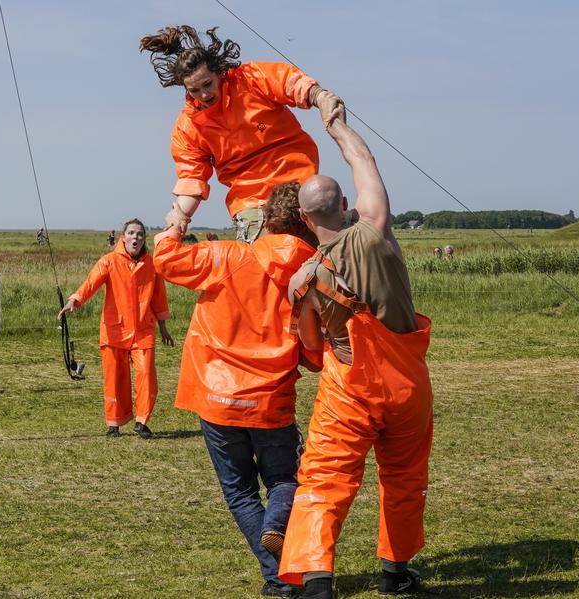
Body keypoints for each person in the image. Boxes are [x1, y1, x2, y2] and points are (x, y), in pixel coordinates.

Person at [277, 92, 433, 599]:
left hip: (347, 389)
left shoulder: (301, 280)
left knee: (323, 479)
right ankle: (395, 571)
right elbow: (365, 161)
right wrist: (335, 125)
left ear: (304, 219)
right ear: (344, 205)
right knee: (404, 478)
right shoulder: (376, 231)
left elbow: (309, 344)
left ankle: (316, 580)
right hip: (406, 383)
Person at [153, 184, 321, 598]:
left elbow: (165, 258)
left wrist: (177, 220)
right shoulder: (312, 275)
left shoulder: (225, 256)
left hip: (217, 397)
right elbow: (315, 355)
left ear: (266, 221)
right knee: (284, 479)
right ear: (307, 225)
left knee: (240, 491)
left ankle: (277, 578)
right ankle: (276, 527)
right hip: (271, 399)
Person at [140, 25, 329, 243]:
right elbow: (192, 178)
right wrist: (179, 215)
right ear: (185, 89)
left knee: (326, 247)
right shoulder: (187, 127)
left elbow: (288, 82)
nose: (204, 94)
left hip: (299, 179)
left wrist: (320, 96)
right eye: (194, 90)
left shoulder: (250, 79)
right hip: (251, 200)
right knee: (264, 253)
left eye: (207, 84)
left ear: (218, 73)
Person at [58, 219, 174, 438]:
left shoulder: (152, 265)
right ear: (123, 237)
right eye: (131, 233)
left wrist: (163, 327)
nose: (135, 237)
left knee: (146, 374)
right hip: (114, 330)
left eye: (140, 234)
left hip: (143, 329)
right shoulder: (109, 261)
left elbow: (159, 298)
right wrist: (75, 300)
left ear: (144, 239)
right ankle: (114, 423)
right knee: (114, 378)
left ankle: (142, 421)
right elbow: (91, 283)